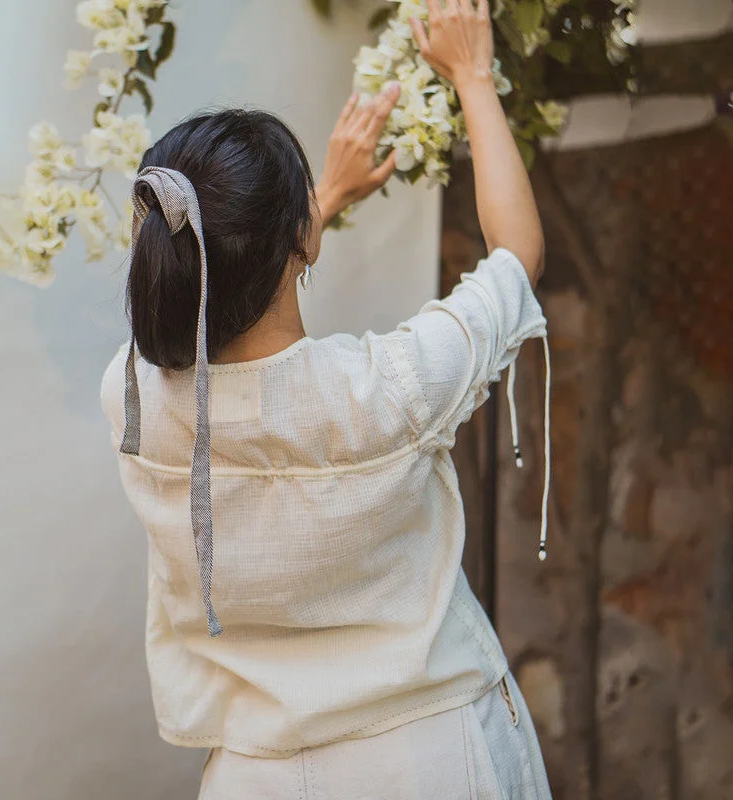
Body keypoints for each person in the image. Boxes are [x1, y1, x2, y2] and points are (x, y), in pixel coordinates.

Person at [100, 0, 553, 797]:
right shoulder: (390, 391)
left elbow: (222, 286)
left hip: (253, 774)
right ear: (298, 242)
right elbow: (517, 255)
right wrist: (474, 77)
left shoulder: (132, 396)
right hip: (431, 761)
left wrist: (318, 205)